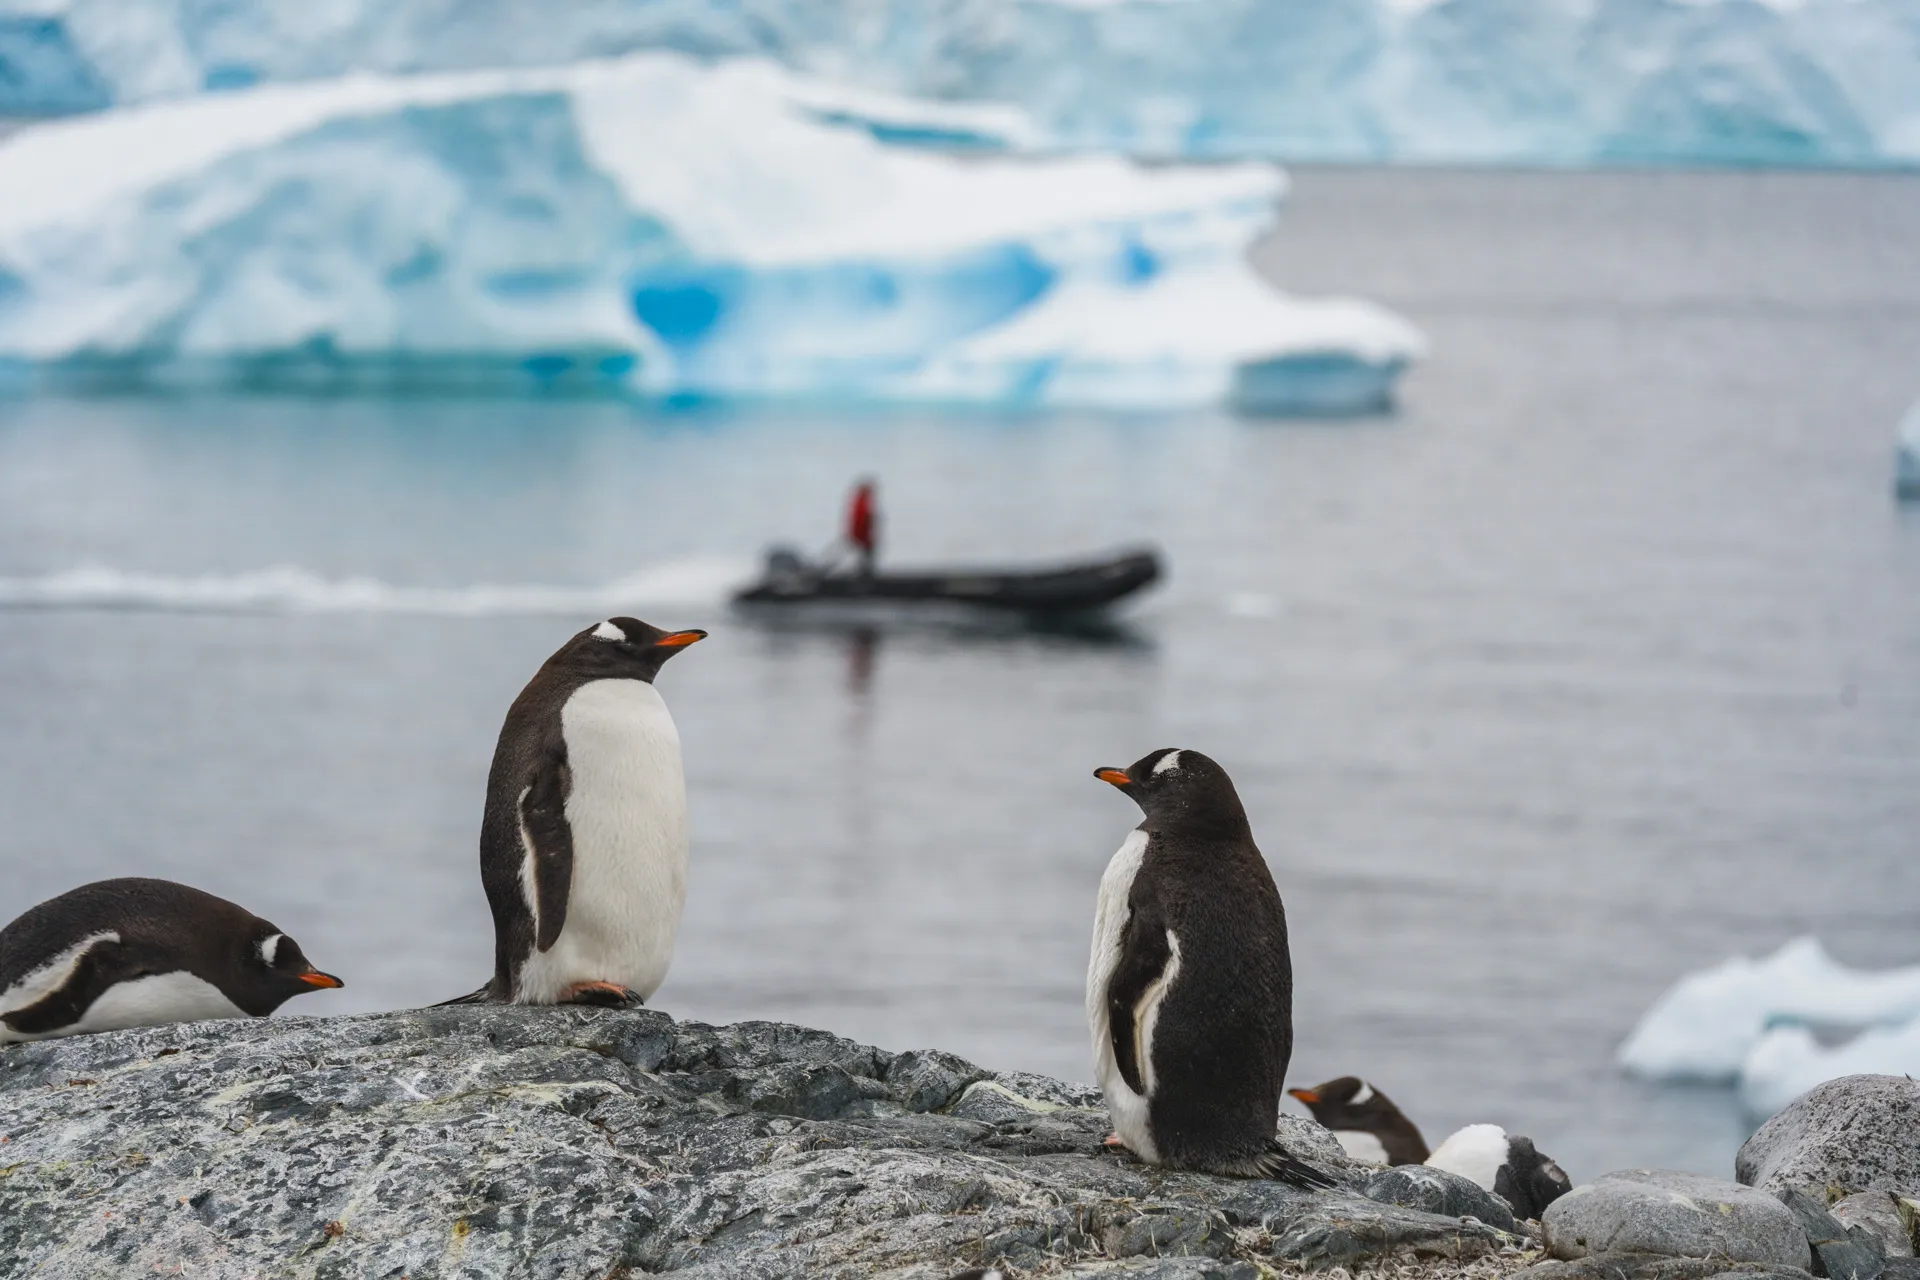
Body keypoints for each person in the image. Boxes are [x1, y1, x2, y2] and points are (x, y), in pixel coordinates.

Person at [845, 477, 879, 577]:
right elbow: (862, 520)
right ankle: (865, 576)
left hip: (863, 536)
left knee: (865, 557)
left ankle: (865, 574)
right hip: (863, 537)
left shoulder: (861, 502)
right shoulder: (862, 502)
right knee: (866, 556)